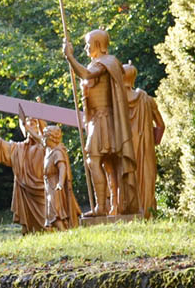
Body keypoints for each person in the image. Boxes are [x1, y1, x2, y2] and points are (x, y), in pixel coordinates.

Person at [63, 30, 138, 216]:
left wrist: (70, 57)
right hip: (96, 119)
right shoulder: (99, 63)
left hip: (104, 119)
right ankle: (113, 206)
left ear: (98, 44)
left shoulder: (107, 62)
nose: (86, 48)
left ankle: (102, 207)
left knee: (94, 159)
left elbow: (87, 75)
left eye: (88, 44)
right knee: (107, 164)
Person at [0, 107, 46, 234]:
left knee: (49, 223)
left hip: (45, 193)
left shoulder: (49, 146)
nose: (29, 125)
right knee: (33, 232)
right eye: (26, 123)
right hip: (27, 194)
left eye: (33, 123)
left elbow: (45, 144)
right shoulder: (18, 149)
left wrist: (36, 129)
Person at [123, 63, 165, 218]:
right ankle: (147, 213)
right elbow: (160, 125)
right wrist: (152, 142)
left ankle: (129, 213)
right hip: (146, 148)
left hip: (125, 148)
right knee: (147, 179)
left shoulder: (117, 102)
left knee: (127, 178)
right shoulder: (147, 99)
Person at [41, 126, 82, 230]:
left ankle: (64, 232)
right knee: (53, 210)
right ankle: (63, 231)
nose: (42, 139)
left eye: (44, 137)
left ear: (51, 138)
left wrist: (60, 183)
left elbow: (62, 167)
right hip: (49, 184)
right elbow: (37, 139)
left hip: (55, 184)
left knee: (55, 210)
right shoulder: (49, 151)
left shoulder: (57, 152)